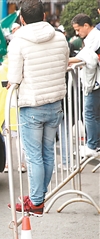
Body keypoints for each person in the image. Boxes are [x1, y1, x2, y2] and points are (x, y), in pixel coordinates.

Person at [7, 0, 69, 216]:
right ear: (44, 16)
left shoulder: (18, 41)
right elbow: (64, 65)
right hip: (55, 102)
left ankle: (36, 202)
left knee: (34, 156)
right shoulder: (60, 37)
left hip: (32, 104)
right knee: (47, 152)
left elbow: (14, 77)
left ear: (22, 19)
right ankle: (39, 196)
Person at [68, 14, 100, 158]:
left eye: (78, 29)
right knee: (93, 114)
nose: (77, 33)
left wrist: (66, 60)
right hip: (93, 81)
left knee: (89, 113)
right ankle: (94, 144)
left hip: (94, 82)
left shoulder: (95, 37)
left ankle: (93, 145)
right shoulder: (91, 37)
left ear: (86, 25)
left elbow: (86, 57)